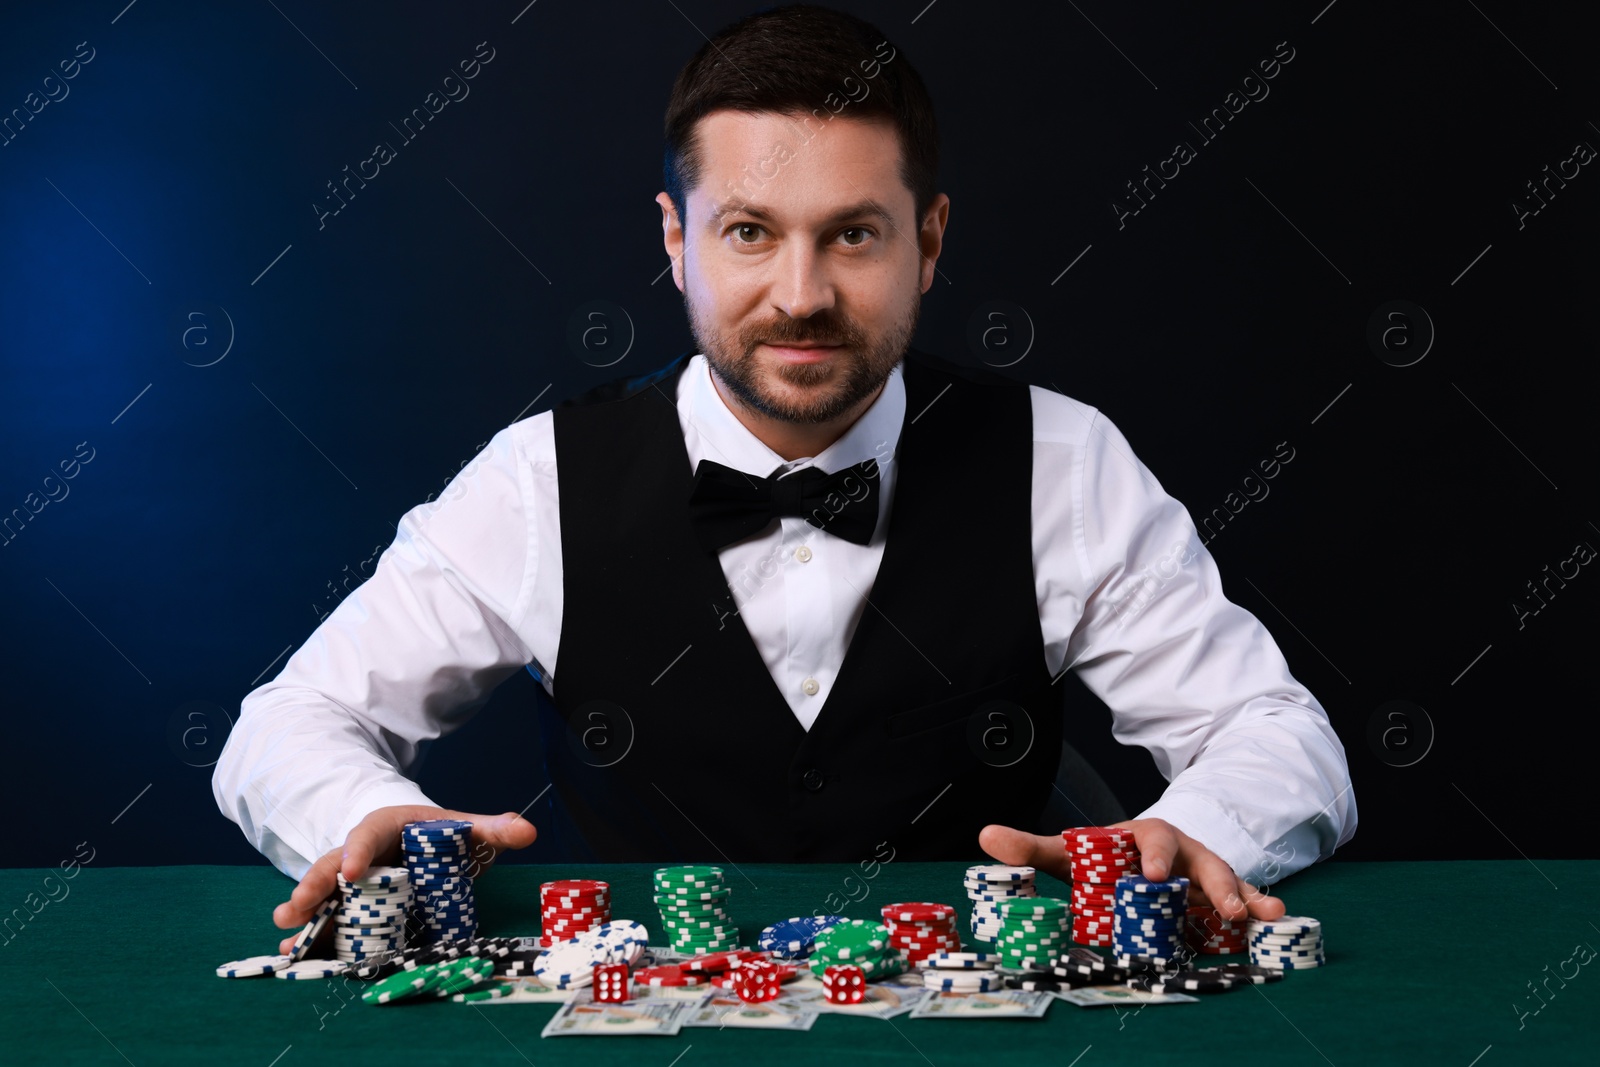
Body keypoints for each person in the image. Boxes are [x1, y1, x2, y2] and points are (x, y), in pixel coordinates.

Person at [213, 4, 1355, 954]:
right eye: (749, 232)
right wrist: (372, 816)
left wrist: (1190, 827)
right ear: (675, 242)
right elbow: (286, 723)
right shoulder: (536, 481)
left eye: (852, 235)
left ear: (931, 238)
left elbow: (1277, 733)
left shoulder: (1062, 458)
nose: (800, 294)